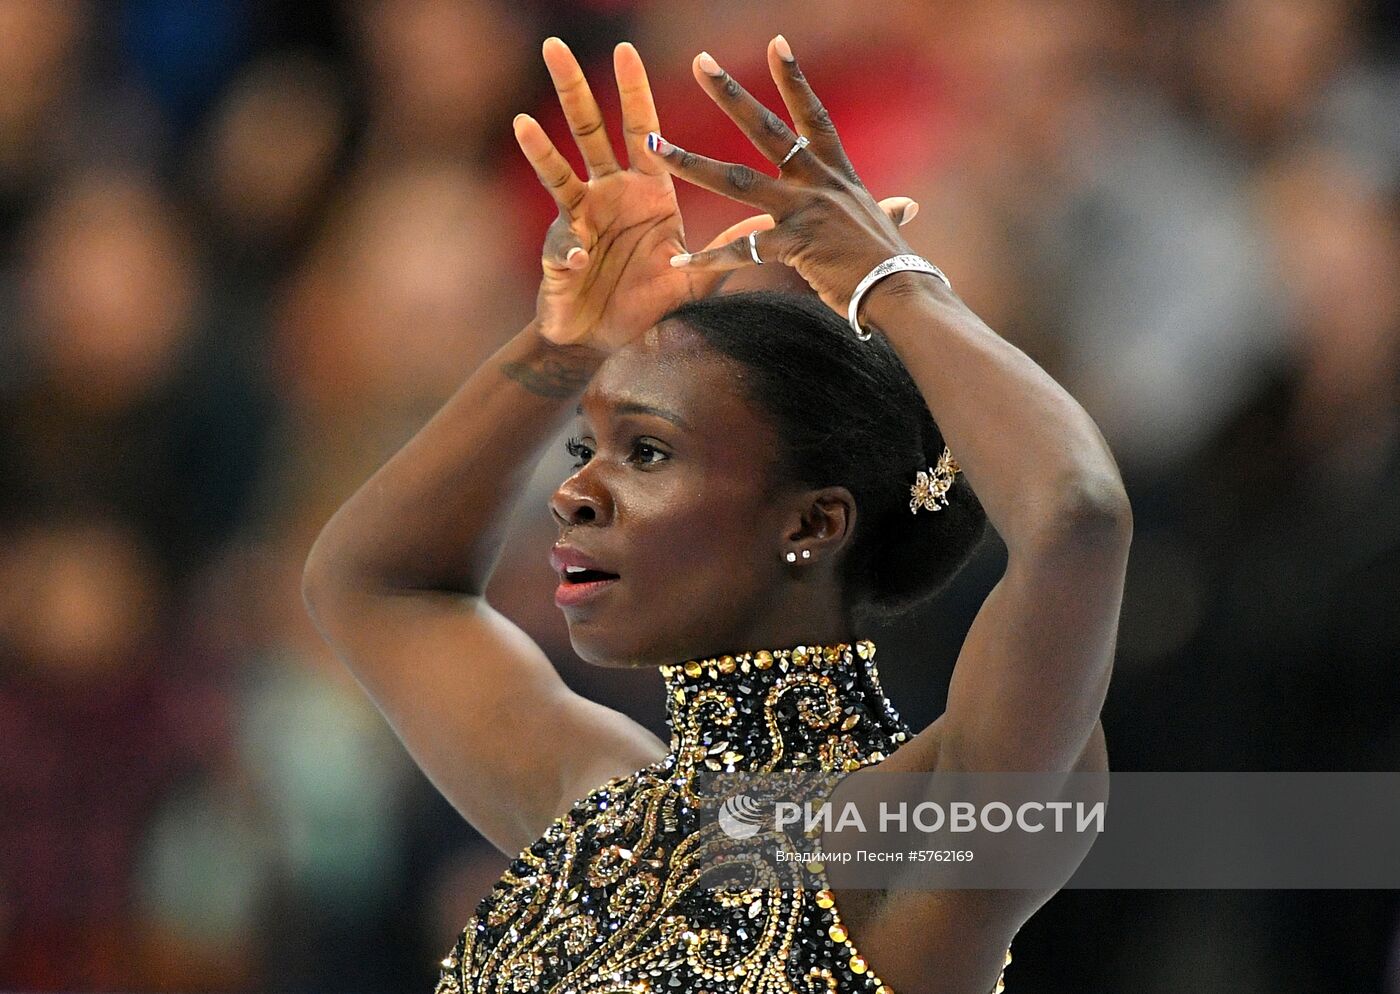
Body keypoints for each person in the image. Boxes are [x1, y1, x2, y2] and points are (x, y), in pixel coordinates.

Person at [302, 35, 1132, 994]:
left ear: (812, 524)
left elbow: (1077, 518)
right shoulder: (600, 808)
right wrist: (565, 347)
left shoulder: (909, 832)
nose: (572, 492)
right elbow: (367, 583)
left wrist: (887, 276)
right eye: (585, 447)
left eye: (646, 452)